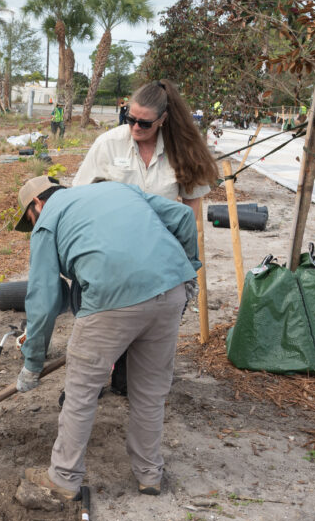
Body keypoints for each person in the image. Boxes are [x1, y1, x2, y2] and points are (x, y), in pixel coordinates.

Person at [12, 175, 200, 505]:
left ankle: (63, 478)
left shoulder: (47, 220)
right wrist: (188, 269)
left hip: (113, 299)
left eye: (30, 218)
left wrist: (32, 363)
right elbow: (184, 216)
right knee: (150, 391)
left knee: (81, 392)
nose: (33, 224)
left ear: (36, 205)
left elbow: (42, 298)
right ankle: (149, 475)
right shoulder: (116, 188)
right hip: (172, 289)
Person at [72, 80, 217, 396]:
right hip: (110, 254)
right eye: (129, 118)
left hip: (158, 260)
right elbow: (78, 199)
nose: (135, 126)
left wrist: (186, 268)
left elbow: (191, 215)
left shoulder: (182, 150)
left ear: (163, 119)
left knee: (133, 378)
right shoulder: (108, 145)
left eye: (145, 123)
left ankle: (125, 375)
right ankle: (87, 382)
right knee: (99, 329)